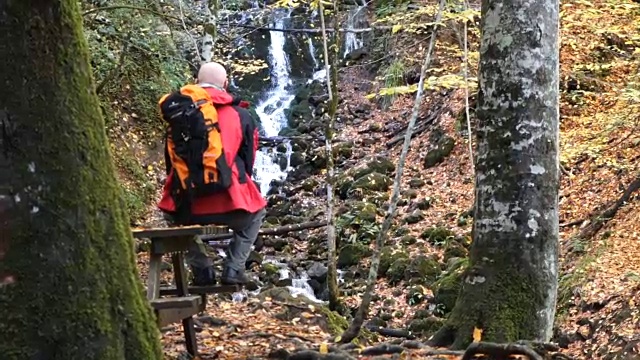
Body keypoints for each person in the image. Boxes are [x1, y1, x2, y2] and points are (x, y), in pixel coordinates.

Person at [158, 62, 267, 286]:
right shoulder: (241, 115)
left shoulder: (179, 114)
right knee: (257, 213)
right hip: (233, 205)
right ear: (226, 84)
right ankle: (234, 269)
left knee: (172, 218)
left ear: (196, 83)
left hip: (187, 207)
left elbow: (171, 163)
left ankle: (202, 269)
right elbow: (248, 164)